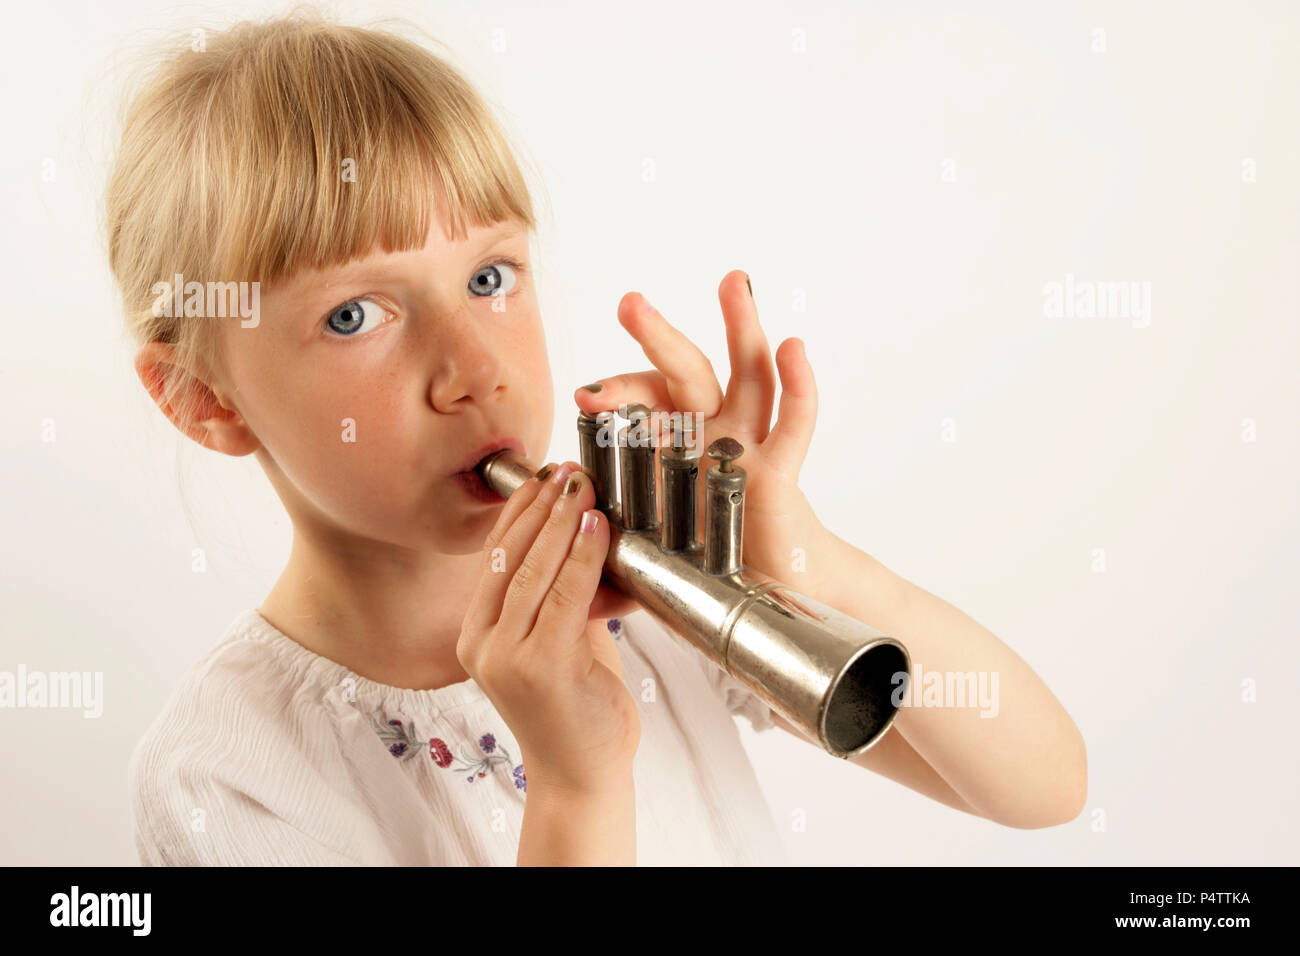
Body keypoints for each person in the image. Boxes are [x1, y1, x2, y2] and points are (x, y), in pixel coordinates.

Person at [111, 10, 1086, 866]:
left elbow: (1042, 787)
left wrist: (812, 567)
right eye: (356, 315)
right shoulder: (226, 779)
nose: (473, 371)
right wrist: (577, 786)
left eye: (490, 278)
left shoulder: (642, 599)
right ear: (205, 399)